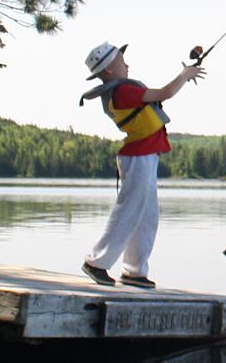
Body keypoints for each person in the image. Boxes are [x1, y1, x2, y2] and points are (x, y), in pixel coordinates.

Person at [78, 41, 204, 289]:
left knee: (147, 216)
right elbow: (164, 93)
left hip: (145, 156)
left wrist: (185, 76)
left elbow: (163, 94)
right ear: (108, 71)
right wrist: (184, 75)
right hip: (137, 157)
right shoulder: (123, 92)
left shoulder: (122, 89)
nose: (126, 64)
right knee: (130, 210)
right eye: (120, 61)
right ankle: (97, 263)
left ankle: (134, 271)